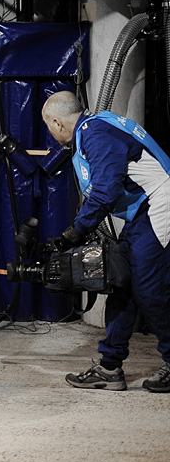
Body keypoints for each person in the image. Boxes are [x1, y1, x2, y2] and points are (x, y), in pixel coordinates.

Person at [42, 91, 170, 393]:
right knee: (121, 282)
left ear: (58, 123)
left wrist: (76, 231)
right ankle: (110, 368)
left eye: (49, 127)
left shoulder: (95, 132)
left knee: (149, 289)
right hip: (144, 210)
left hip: (161, 204)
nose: (51, 133)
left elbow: (105, 190)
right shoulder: (97, 126)